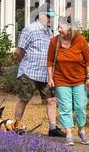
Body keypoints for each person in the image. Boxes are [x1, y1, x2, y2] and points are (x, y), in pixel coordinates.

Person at [12, 8, 63, 136]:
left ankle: (52, 128)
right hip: (29, 72)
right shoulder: (29, 30)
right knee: (24, 99)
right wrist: (24, 62)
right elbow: (19, 51)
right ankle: (16, 125)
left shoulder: (49, 31)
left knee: (51, 100)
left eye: (52, 17)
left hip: (46, 73)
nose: (51, 19)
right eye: (48, 16)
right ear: (40, 15)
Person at [47, 17, 89, 145]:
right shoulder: (54, 42)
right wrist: (50, 78)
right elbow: (50, 61)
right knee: (65, 108)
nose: (59, 29)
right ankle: (69, 134)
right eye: (59, 27)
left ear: (70, 29)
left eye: (61, 27)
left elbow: (88, 60)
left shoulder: (80, 40)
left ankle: (81, 130)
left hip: (79, 79)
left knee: (80, 106)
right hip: (61, 80)